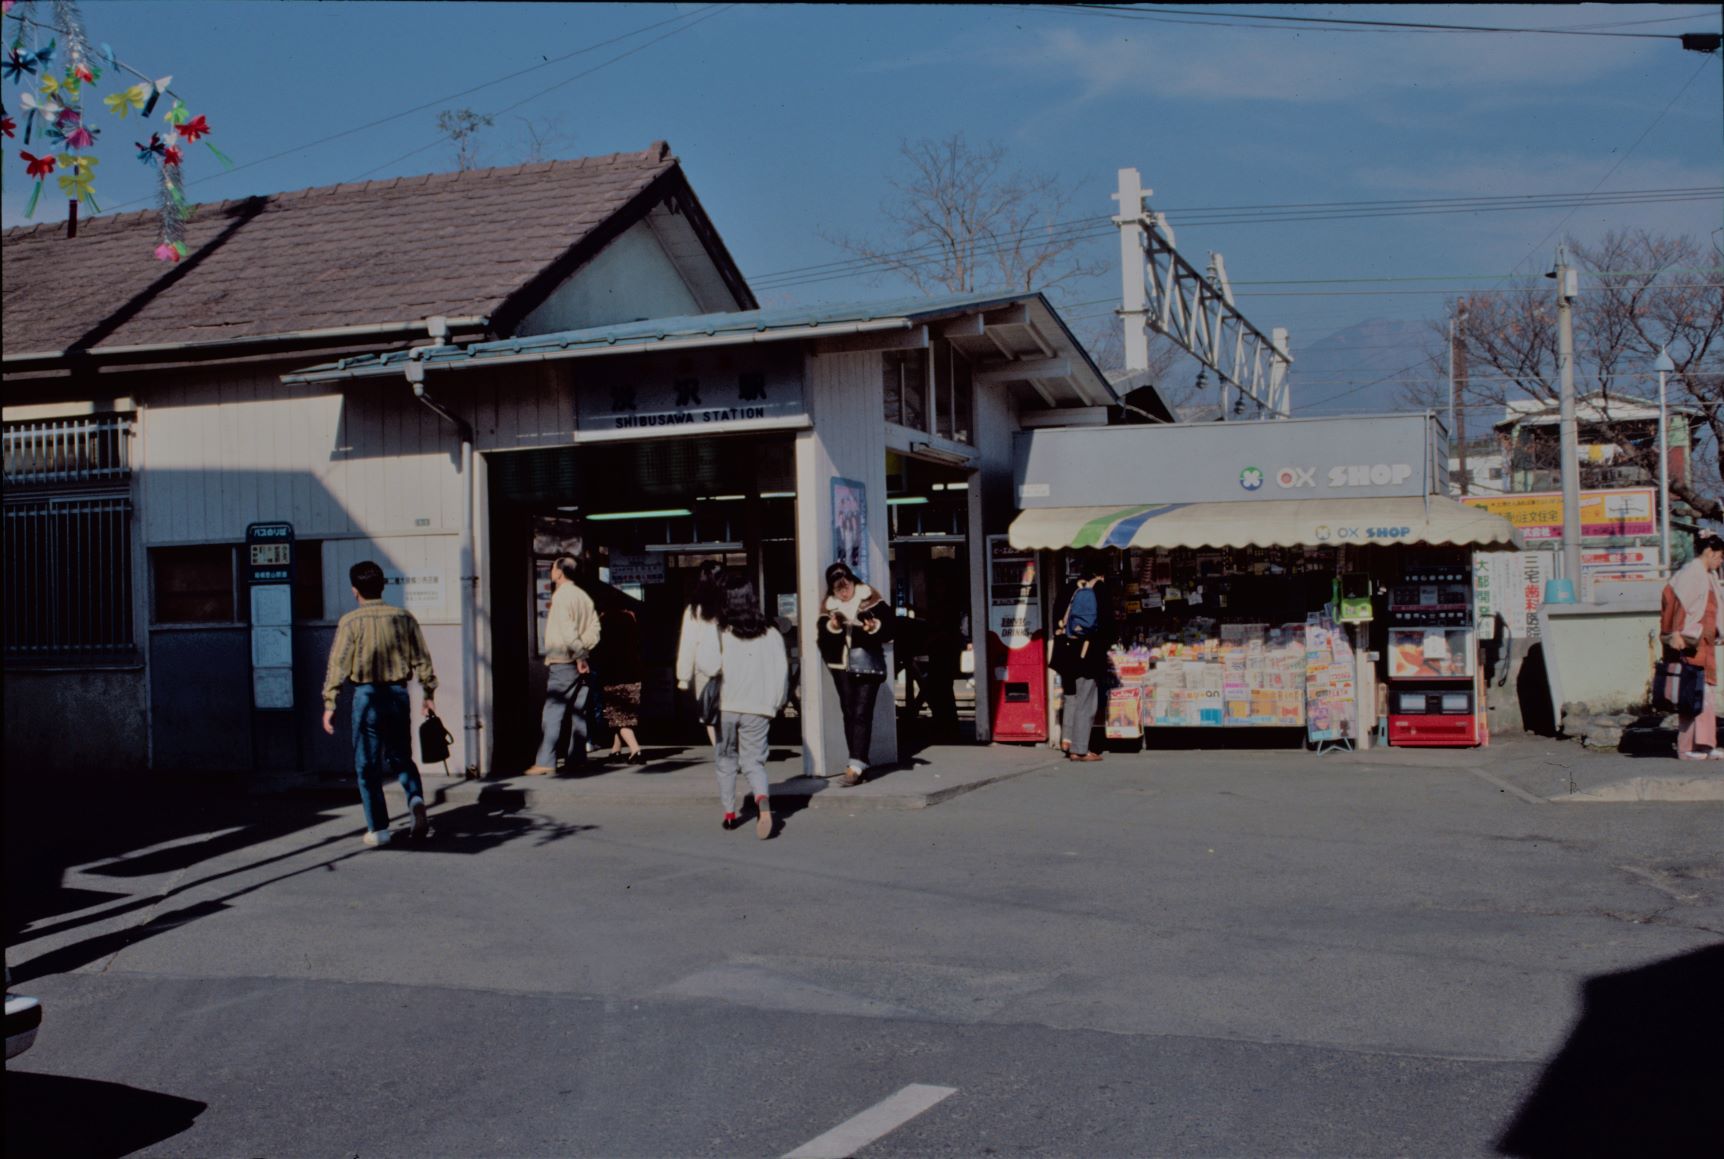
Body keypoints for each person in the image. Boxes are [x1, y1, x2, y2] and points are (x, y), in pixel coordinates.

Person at [321, 560, 438, 847]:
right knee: (401, 756)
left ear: (354, 590)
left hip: (367, 697)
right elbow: (422, 658)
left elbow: (338, 664)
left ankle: (379, 829)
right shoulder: (404, 618)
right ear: (383, 586)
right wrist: (428, 695)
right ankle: (416, 799)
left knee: (367, 764)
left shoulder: (350, 622)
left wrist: (330, 703)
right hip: (398, 694)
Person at [712, 570, 789, 838]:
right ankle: (762, 801)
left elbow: (710, 666)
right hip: (759, 708)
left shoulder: (722, 632)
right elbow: (781, 672)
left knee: (725, 760)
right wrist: (776, 704)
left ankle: (730, 814)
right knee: (754, 762)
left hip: (726, 706)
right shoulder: (771, 634)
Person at [818, 561, 894, 786]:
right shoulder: (829, 606)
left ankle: (855, 767)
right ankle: (859, 762)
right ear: (832, 589)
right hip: (841, 667)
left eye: (847, 586)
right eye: (838, 589)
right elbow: (823, 641)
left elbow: (890, 628)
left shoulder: (870, 598)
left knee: (861, 713)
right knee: (850, 712)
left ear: (854, 581)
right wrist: (832, 627)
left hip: (866, 664)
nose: (844, 592)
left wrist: (874, 627)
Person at [526, 555, 601, 775]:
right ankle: (577, 757)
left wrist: (578, 654)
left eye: (553, 568)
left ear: (559, 572)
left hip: (564, 661)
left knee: (553, 711)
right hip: (582, 660)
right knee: (579, 711)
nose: (551, 571)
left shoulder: (561, 597)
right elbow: (595, 628)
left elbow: (567, 630)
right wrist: (584, 651)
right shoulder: (583, 597)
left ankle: (546, 760)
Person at [1659, 535, 1724, 760]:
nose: (1721, 561)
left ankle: (1705, 744)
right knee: (1690, 693)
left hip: (1705, 644)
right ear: (1710, 552)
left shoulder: (1709, 576)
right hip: (1689, 642)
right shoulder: (1690, 573)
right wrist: (1675, 632)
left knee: (1705, 694)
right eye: (1720, 556)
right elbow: (1674, 602)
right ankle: (1686, 748)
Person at [1054, 555, 1112, 763]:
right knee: (1086, 699)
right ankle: (1080, 749)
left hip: (1066, 652)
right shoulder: (1100, 589)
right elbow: (1107, 624)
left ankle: (1067, 740)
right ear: (1102, 573)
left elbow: (1056, 617)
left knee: (1071, 696)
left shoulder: (1070, 587)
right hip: (1087, 653)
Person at [675, 559, 725, 745]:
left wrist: (683, 677)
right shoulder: (730, 603)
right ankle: (732, 748)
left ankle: (721, 750)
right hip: (732, 667)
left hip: (706, 669)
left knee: (709, 713)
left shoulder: (695, 609)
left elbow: (688, 643)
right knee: (730, 711)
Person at [598, 603, 645, 764]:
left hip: (614, 675)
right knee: (622, 716)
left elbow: (599, 648)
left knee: (618, 716)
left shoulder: (603, 620)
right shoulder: (630, 618)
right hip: (633, 673)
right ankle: (616, 749)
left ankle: (635, 751)